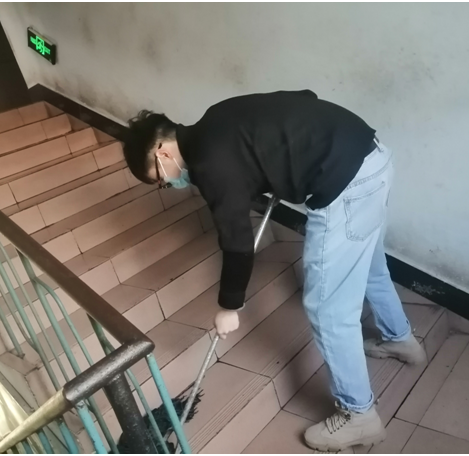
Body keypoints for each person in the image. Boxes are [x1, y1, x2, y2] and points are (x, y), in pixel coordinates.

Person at [123, 90, 426, 452]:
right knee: (371, 266)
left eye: (160, 179)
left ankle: (359, 416)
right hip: (372, 157)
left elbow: (237, 241)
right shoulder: (216, 118)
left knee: (328, 310)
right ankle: (400, 340)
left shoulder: (207, 161)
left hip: (346, 184)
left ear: (162, 154)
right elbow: (302, 98)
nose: (169, 184)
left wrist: (229, 306)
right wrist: (280, 167)